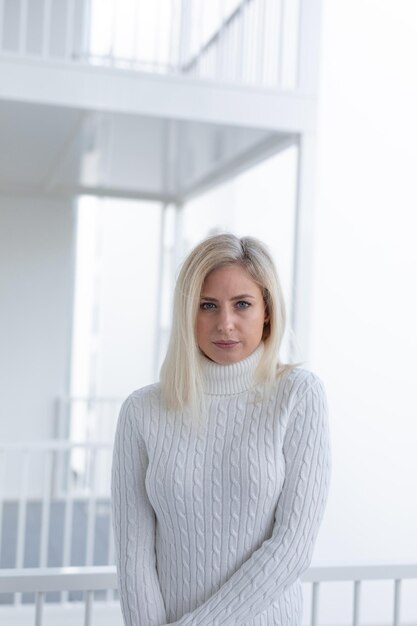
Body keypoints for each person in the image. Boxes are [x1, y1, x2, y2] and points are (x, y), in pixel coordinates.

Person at [111, 233, 331, 626]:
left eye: (242, 304)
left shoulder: (298, 396)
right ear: (187, 313)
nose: (225, 323)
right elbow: (134, 556)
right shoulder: (140, 411)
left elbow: (292, 547)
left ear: (267, 311)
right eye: (207, 305)